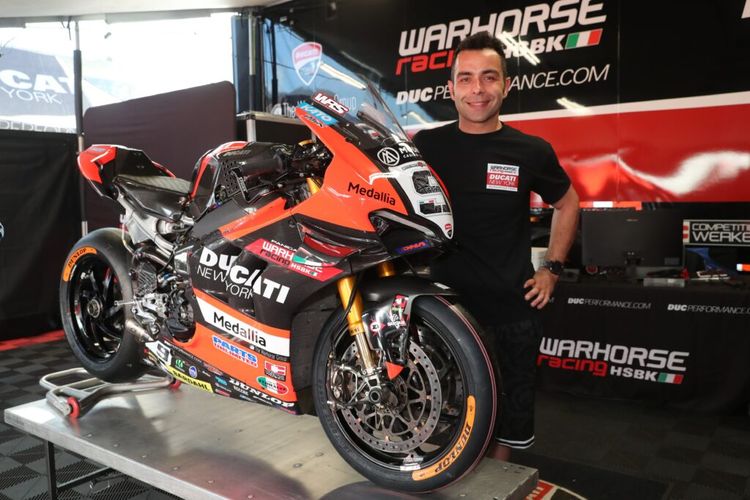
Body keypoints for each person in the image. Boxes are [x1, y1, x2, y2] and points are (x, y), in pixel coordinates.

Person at [413, 31, 579, 461]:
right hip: (442, 308)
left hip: (511, 310)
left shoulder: (531, 150)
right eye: (466, 78)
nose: (478, 89)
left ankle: (495, 486)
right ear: (451, 88)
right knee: (441, 412)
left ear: (507, 86)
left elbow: (568, 202)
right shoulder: (425, 146)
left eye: (489, 77)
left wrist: (552, 269)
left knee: (509, 420)